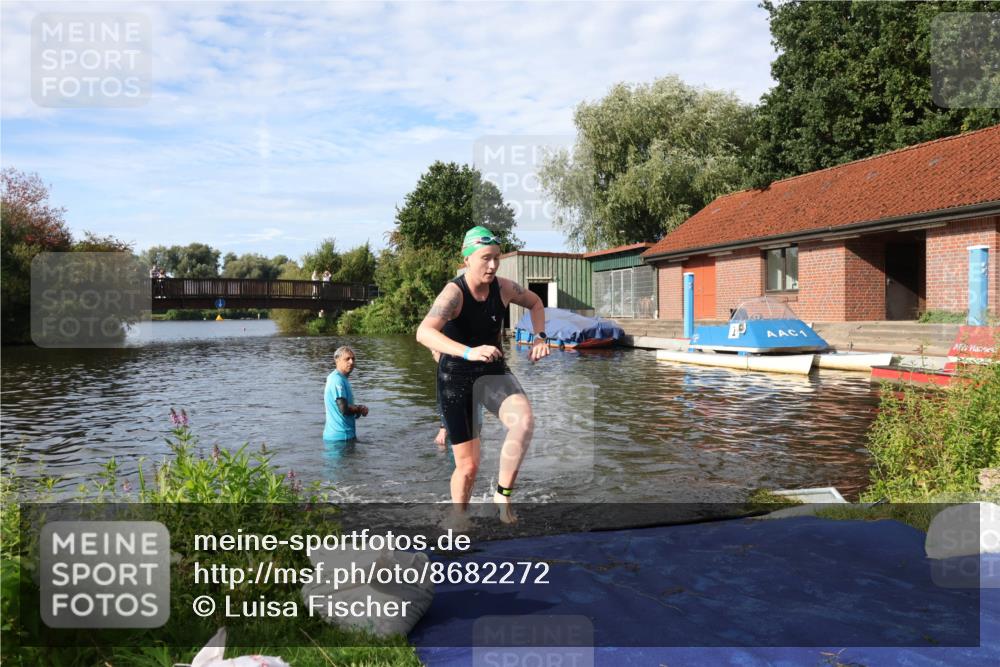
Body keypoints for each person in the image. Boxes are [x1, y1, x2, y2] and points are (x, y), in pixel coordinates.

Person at [416, 226, 550, 524]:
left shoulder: (503, 288)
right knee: (468, 467)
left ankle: (502, 494)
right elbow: (424, 332)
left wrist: (541, 336)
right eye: (485, 258)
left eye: (496, 259)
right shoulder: (454, 293)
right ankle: (458, 518)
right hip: (456, 378)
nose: (492, 265)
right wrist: (467, 351)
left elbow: (536, 303)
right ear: (467, 259)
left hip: (492, 372)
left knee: (524, 421)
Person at [323, 346, 368, 442]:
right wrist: (359, 408)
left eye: (353, 359)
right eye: (347, 359)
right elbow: (344, 409)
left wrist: (359, 409)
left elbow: (347, 409)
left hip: (345, 436)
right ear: (337, 360)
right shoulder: (336, 379)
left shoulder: (343, 379)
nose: (351, 362)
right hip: (339, 439)